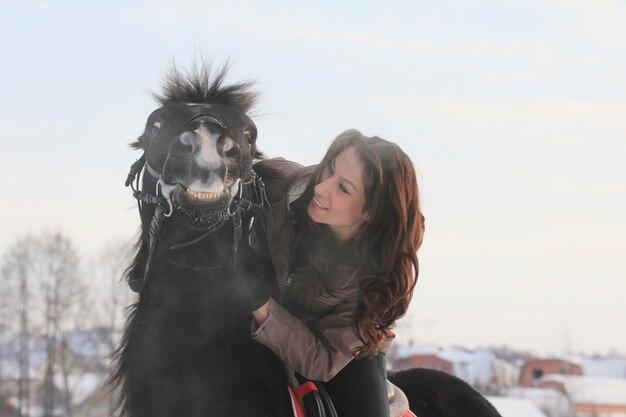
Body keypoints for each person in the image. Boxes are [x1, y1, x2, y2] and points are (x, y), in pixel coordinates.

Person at [236, 130, 424, 417]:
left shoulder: (379, 282)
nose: (322, 187)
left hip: (340, 351)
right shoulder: (277, 183)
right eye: (329, 170)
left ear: (370, 212)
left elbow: (321, 359)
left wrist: (260, 304)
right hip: (260, 313)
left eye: (344, 189)